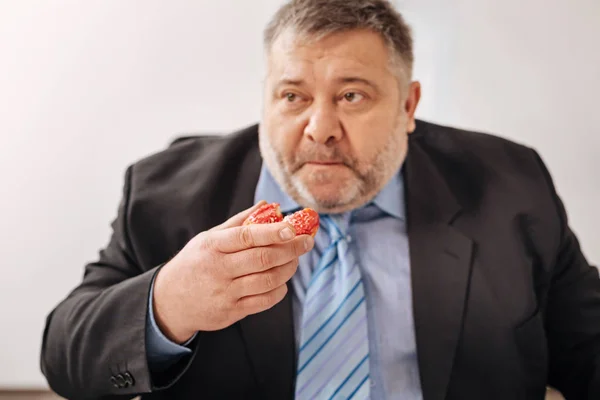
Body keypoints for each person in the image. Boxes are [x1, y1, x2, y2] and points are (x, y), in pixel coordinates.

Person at [40, 0, 600, 399]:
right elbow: (67, 359)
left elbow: (588, 348)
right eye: (293, 96)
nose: (320, 128)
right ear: (265, 99)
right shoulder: (165, 192)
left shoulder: (511, 185)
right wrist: (169, 303)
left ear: (408, 106)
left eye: (351, 95)